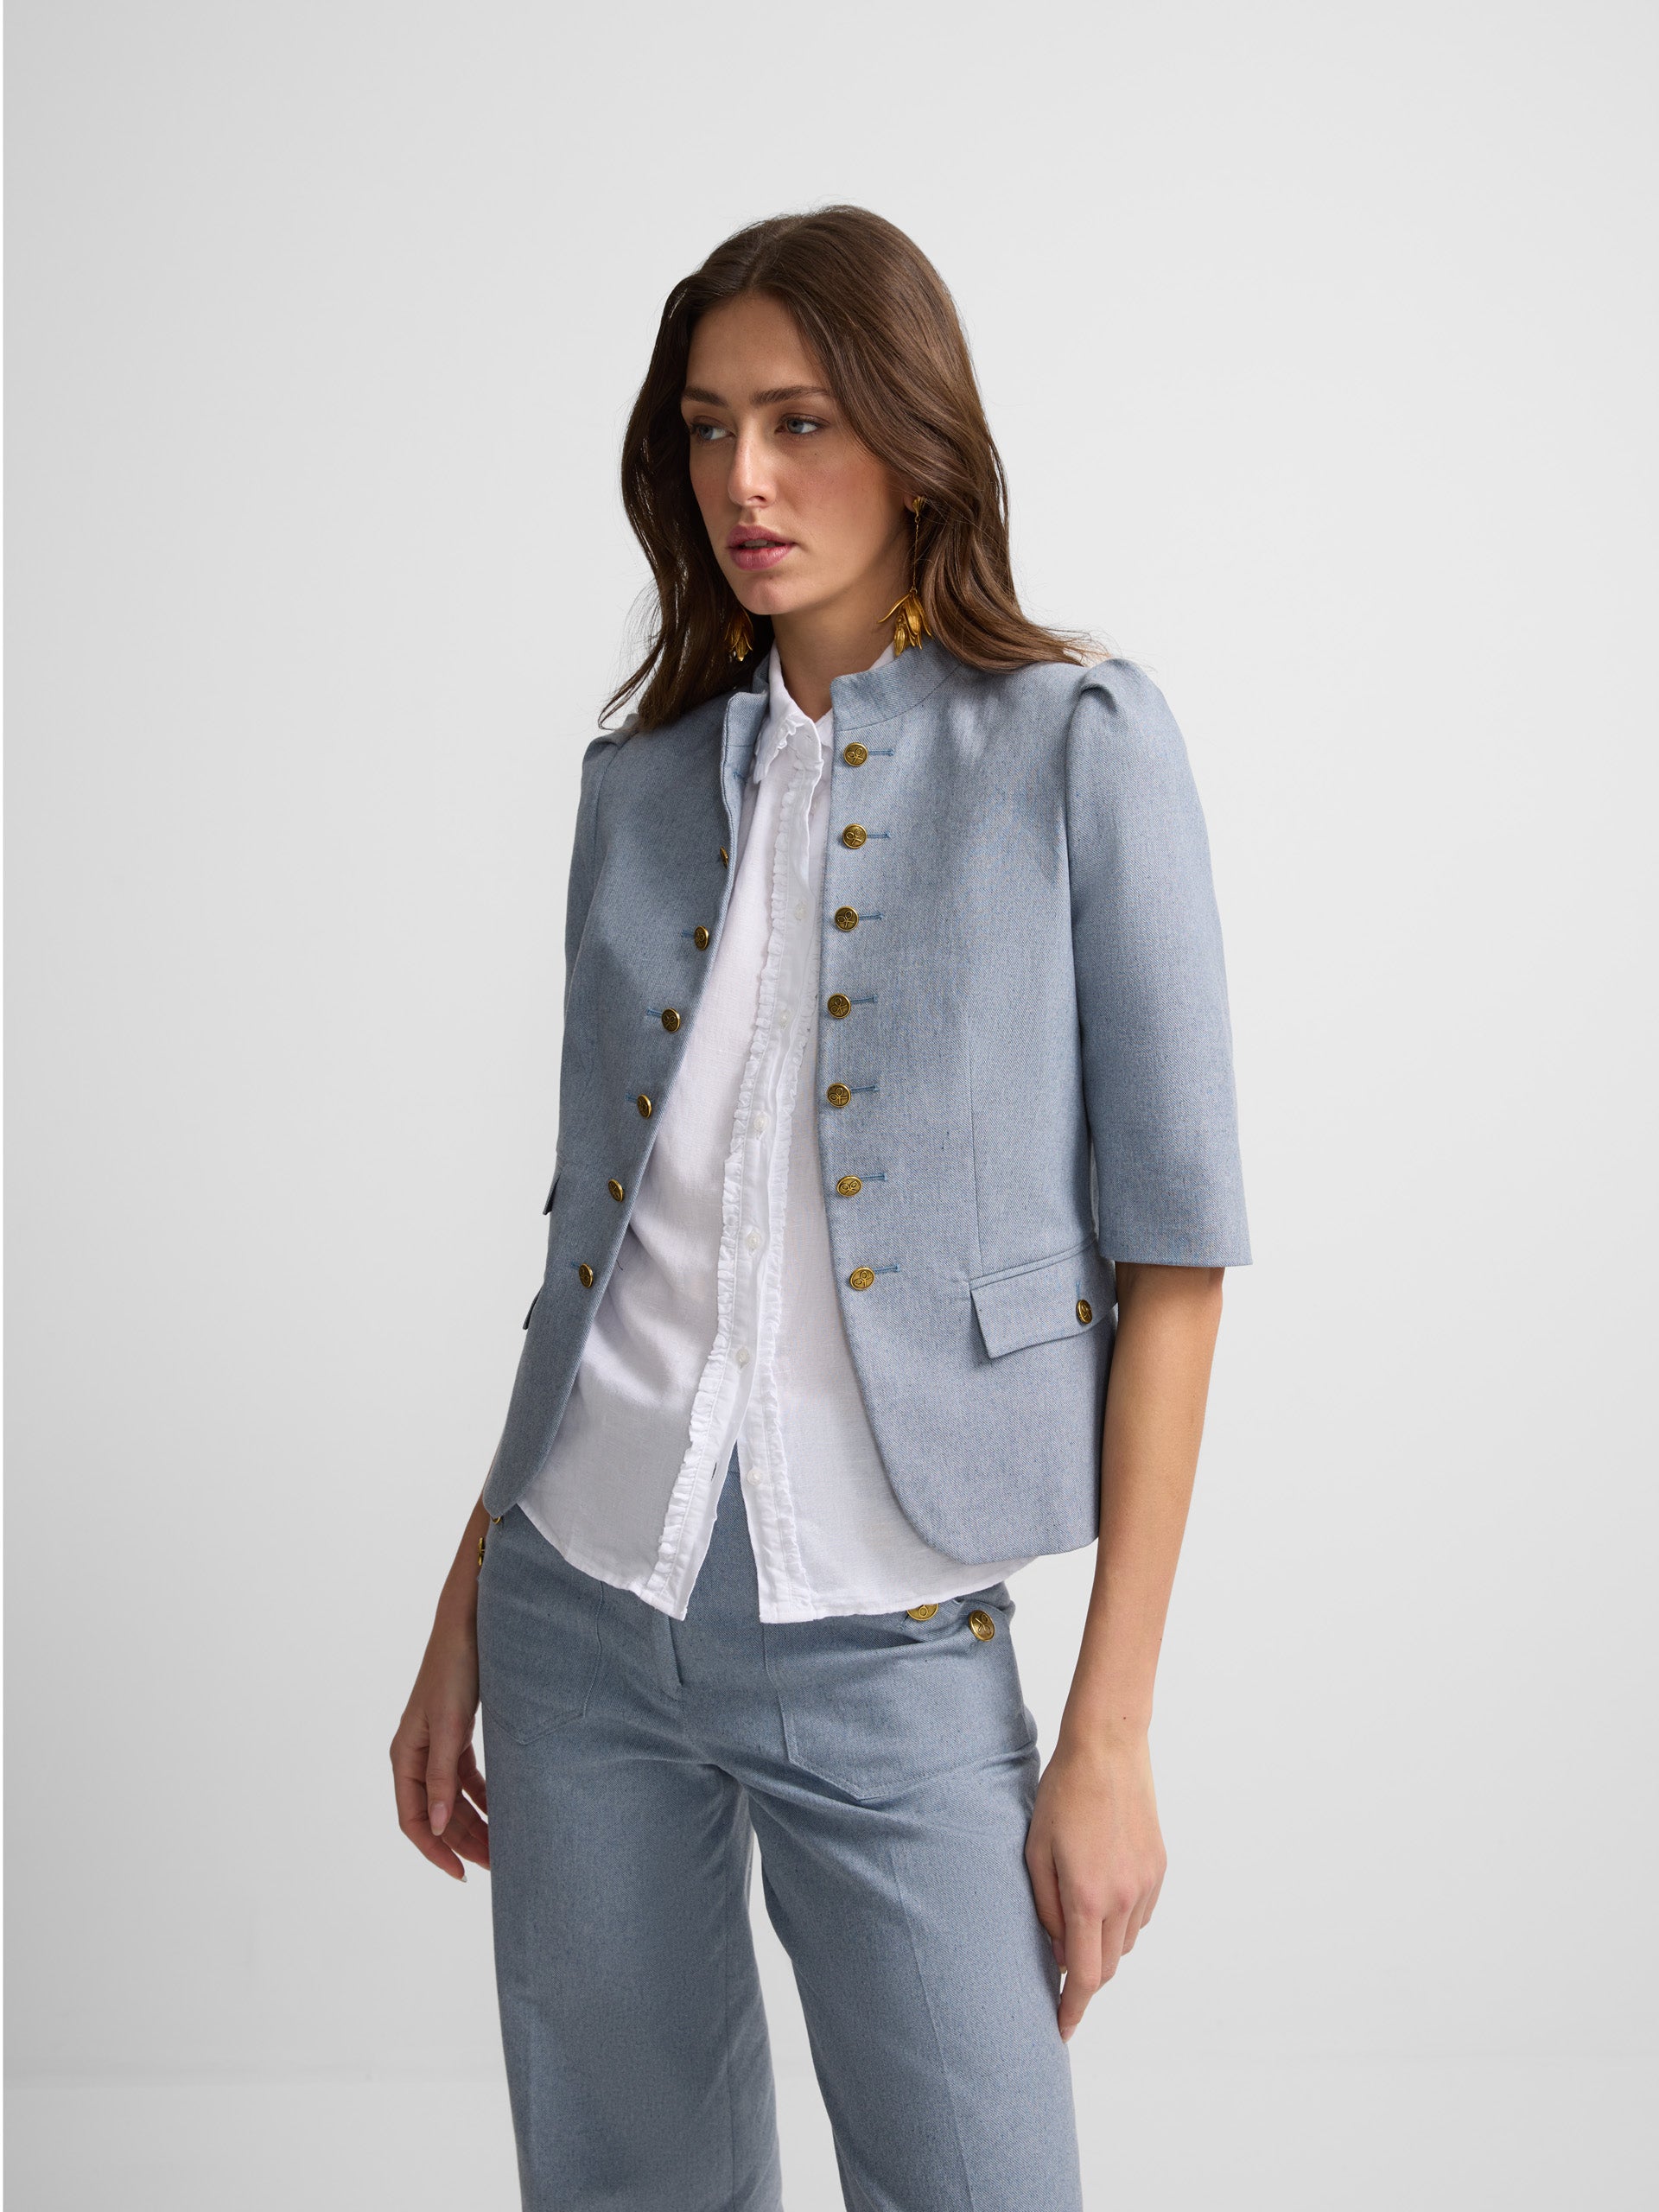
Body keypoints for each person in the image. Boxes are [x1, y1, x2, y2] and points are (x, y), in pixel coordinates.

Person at [391, 204, 1249, 2210]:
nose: (745, 482)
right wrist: (464, 1606)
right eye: (707, 428)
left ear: (914, 433)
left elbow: (1177, 1255)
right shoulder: (640, 785)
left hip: (890, 1629)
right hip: (580, 1607)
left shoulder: (1079, 744)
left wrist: (1110, 1731)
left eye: (800, 421)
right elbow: (597, 1251)